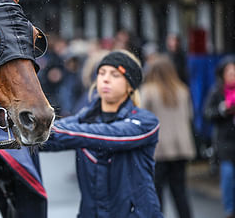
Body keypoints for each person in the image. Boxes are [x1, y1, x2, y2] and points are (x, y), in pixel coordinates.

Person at [42, 50, 162, 218]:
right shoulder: (84, 120)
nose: (105, 79)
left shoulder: (146, 122)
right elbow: (42, 139)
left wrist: (49, 130)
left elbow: (110, 135)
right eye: (101, 73)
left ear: (130, 85)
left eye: (115, 75)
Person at [141, 55, 196, 218]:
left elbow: (143, 119)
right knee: (180, 191)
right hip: (181, 147)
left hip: (158, 148)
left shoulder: (148, 91)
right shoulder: (182, 90)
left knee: (156, 192)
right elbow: (190, 115)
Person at [203, 55, 235, 218]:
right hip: (225, 142)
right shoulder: (217, 92)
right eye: (229, 72)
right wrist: (223, 109)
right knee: (228, 176)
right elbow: (207, 113)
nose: (232, 75)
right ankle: (230, 210)